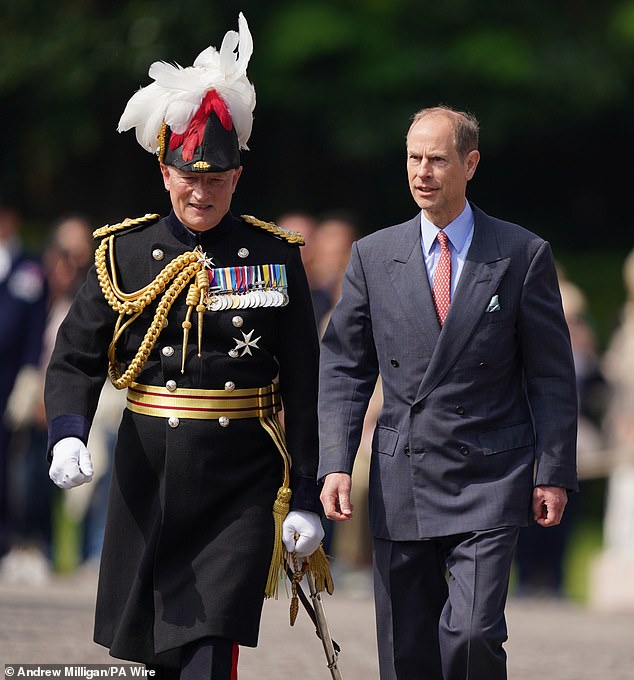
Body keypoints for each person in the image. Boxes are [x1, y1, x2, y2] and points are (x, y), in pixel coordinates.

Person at [44, 14, 327, 679]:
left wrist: (308, 494)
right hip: (149, 477)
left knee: (209, 649)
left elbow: (306, 384)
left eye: (217, 178)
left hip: (240, 481)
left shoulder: (273, 257)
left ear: (237, 177)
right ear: (164, 172)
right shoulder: (125, 252)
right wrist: (67, 431)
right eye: (187, 176)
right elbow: (77, 353)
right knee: (153, 656)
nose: (201, 191)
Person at [318, 105, 578, 680]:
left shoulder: (521, 254)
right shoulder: (372, 255)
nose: (423, 172)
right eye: (414, 158)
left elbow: (551, 375)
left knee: (471, 635)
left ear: (470, 163)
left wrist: (553, 470)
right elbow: (344, 367)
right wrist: (335, 461)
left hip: (490, 475)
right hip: (401, 476)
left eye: (438, 159)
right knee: (407, 652)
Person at [0, 195, 47, 561]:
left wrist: (30, 379)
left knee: (11, 466)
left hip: (10, 380)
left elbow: (33, 330)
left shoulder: (28, 267)